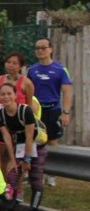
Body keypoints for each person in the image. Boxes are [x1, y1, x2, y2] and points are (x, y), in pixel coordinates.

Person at [0, 83, 47, 211]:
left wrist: (27, 159)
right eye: (3, 94)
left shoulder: (25, 111)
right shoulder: (0, 115)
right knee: (13, 176)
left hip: (36, 145)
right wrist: (12, 160)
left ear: (15, 95)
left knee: (35, 179)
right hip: (19, 144)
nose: (6, 97)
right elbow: (7, 138)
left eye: (9, 94)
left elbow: (30, 136)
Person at [28, 38, 72, 187]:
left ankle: (51, 175)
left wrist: (66, 112)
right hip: (36, 112)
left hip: (53, 110)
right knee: (35, 140)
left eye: (43, 47)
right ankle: (33, 173)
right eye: (37, 48)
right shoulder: (32, 70)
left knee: (52, 141)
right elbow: (27, 90)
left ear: (51, 49)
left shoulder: (60, 69)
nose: (40, 50)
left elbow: (67, 91)